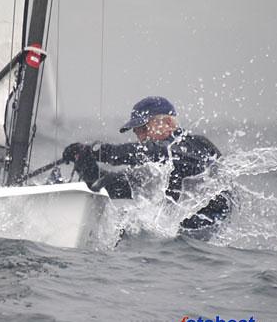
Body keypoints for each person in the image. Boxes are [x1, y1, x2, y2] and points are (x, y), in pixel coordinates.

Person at [62, 96, 231, 235]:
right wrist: (85, 162)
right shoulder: (155, 173)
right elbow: (109, 186)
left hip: (204, 242)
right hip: (179, 246)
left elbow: (155, 153)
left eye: (143, 129)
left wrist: (100, 151)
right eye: (137, 132)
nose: (141, 137)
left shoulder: (196, 145)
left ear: (168, 123)